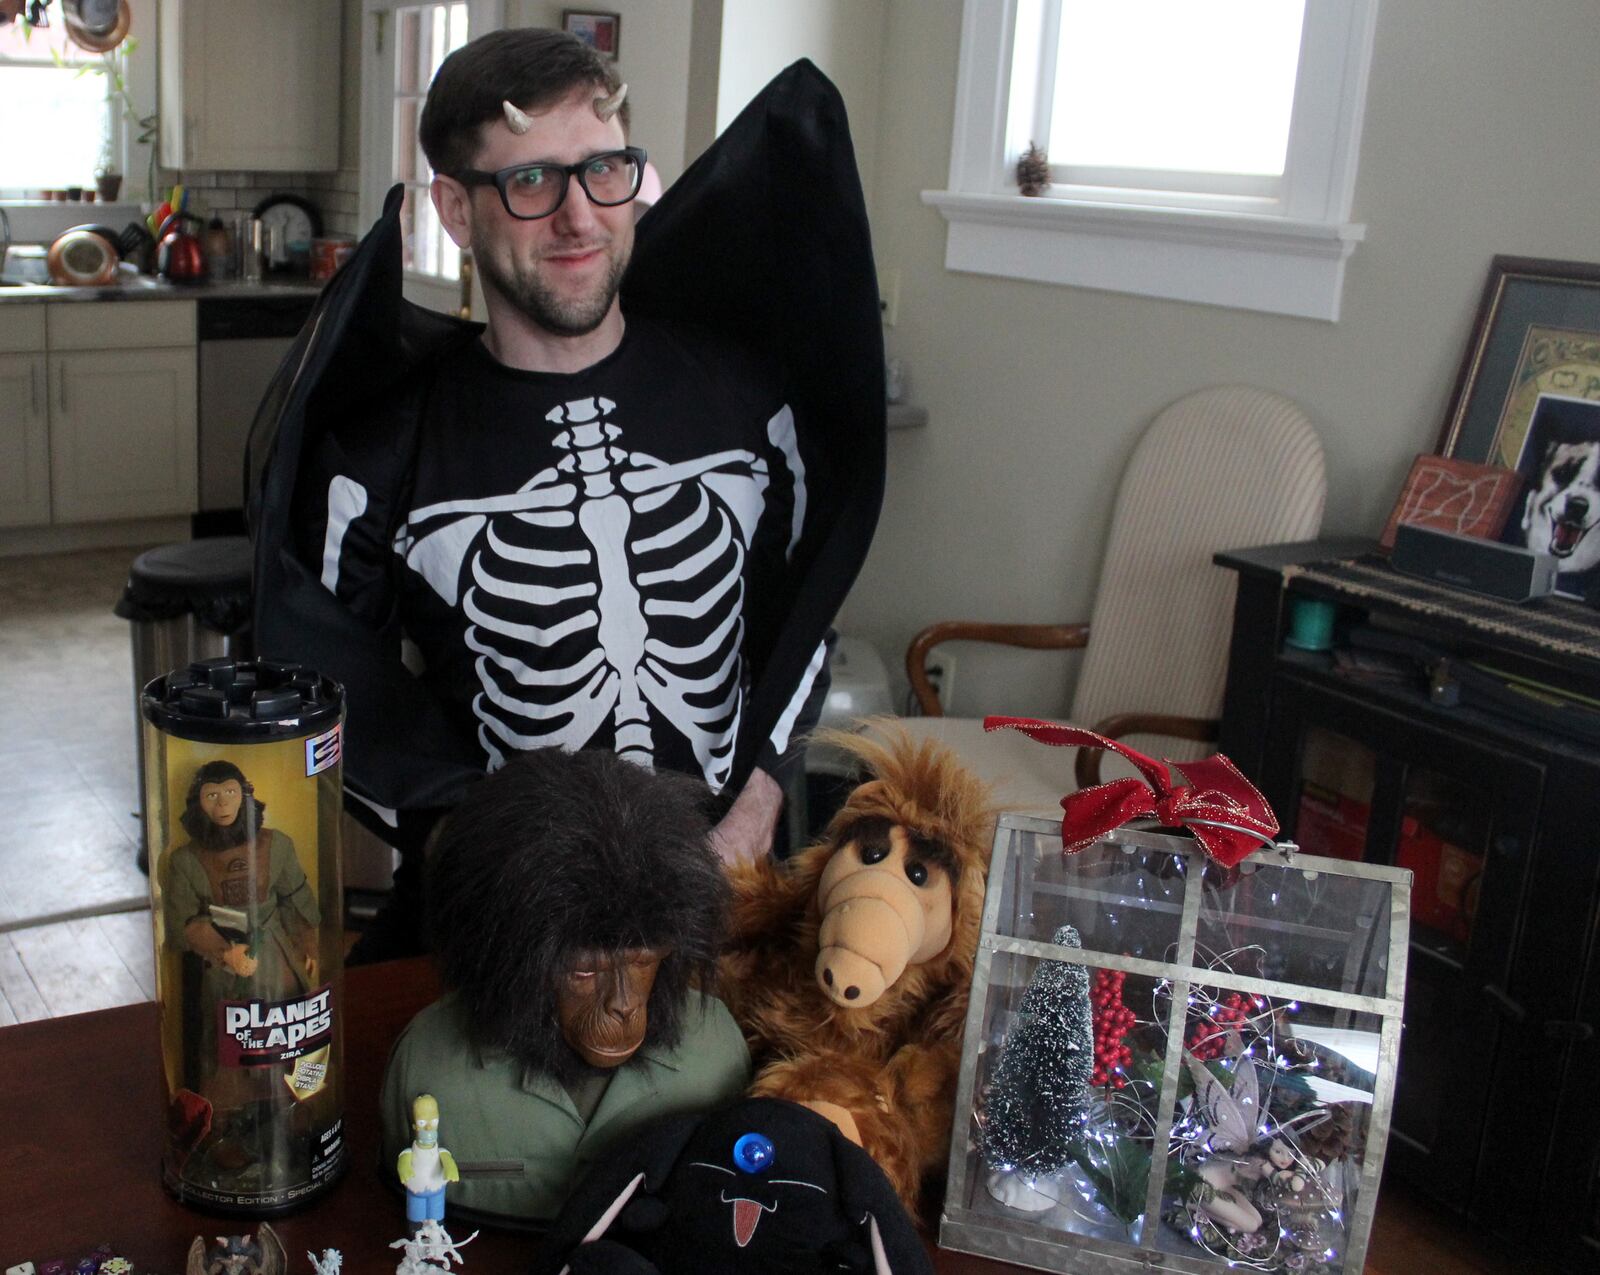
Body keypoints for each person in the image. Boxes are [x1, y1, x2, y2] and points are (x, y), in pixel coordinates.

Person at [250, 35, 886, 961]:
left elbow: (802, 620)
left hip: (727, 908)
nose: (580, 218)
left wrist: (754, 810)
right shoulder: (380, 453)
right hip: (501, 925)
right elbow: (331, 684)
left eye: (604, 170)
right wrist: (473, 853)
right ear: (457, 210)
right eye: (532, 182)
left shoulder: (753, 403)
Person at [162, 760, 320, 1108]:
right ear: (197, 803)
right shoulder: (185, 862)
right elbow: (183, 924)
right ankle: (225, 1120)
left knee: (288, 1041)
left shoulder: (276, 845)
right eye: (212, 795)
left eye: (231, 793)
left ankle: (292, 1110)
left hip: (278, 957)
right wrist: (223, 951)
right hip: (225, 970)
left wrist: (308, 945)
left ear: (245, 797)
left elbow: (296, 897)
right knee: (225, 1046)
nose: (223, 805)